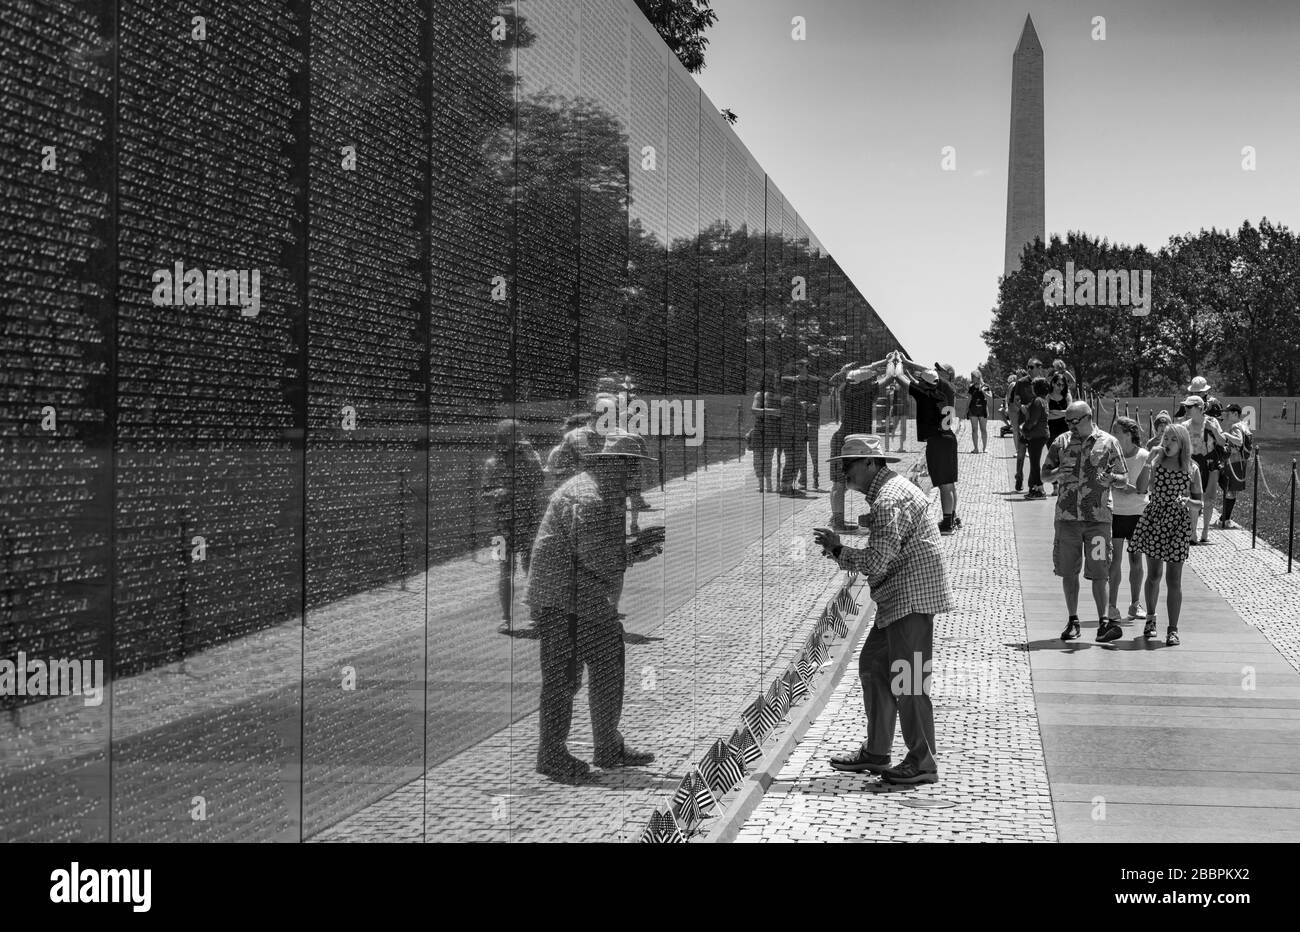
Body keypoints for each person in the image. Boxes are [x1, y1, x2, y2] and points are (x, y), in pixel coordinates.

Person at [816, 434, 954, 786]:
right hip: (901, 598)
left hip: (910, 599)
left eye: (847, 465)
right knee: (875, 665)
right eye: (841, 466)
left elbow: (877, 562)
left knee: (909, 682)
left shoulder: (888, 500)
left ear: (870, 464)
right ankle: (878, 751)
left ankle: (923, 763)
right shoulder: (888, 492)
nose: (844, 473)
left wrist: (838, 550)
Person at [527, 431, 663, 783]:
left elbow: (597, 555)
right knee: (563, 677)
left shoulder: (602, 490)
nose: (636, 472)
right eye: (632, 464)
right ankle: (553, 753)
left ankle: (605, 745)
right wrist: (633, 552)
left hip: (578, 595)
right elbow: (596, 557)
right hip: (564, 598)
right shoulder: (591, 497)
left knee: (605, 663)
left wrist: (632, 550)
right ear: (617, 464)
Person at [1040, 401, 1129, 642]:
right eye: (1067, 421)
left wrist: (1112, 478)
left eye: (1073, 421)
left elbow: (1124, 477)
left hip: (1097, 519)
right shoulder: (1061, 442)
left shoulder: (1109, 442)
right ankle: (1073, 620)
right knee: (1069, 571)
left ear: (1089, 417)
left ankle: (1103, 623)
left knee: (1100, 571)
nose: (1069, 425)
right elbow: (1043, 474)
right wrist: (1058, 473)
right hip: (1067, 518)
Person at [1130, 424, 1202, 645]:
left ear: (1182, 443)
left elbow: (1200, 502)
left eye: (1173, 439)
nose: (1167, 443)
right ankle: (1150, 619)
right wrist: (1149, 462)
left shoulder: (1192, 467)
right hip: (1155, 520)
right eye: (1165, 438)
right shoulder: (1156, 462)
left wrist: (1189, 502)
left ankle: (1173, 628)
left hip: (1178, 524)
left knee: (1174, 579)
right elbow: (1141, 489)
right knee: (1153, 575)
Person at [481, 420, 547, 634]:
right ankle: (506, 618)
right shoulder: (492, 463)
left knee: (532, 566)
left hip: (529, 521)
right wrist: (496, 493)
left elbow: (540, 481)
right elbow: (484, 494)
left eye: (518, 434)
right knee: (504, 570)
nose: (516, 439)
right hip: (500, 526)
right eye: (511, 435)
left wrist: (530, 456)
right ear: (502, 438)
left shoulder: (530, 459)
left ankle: (536, 615)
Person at [892, 355, 961, 534]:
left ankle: (947, 524)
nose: (936, 370)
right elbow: (925, 381)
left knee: (944, 484)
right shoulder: (941, 391)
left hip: (938, 439)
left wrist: (900, 363)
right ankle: (952, 518)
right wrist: (914, 376)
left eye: (940, 369)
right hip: (948, 437)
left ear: (948, 375)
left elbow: (905, 380)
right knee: (950, 483)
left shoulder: (938, 389)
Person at [829, 359, 883, 531]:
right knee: (844, 484)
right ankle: (838, 523)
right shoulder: (868, 391)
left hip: (842, 439)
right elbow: (889, 375)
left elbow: (837, 380)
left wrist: (845, 370)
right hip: (855, 442)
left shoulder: (845, 390)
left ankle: (836, 519)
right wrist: (891, 361)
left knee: (839, 483)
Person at [1108, 417, 1150, 623]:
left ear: (1128, 433)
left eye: (1117, 431)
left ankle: (1135, 604)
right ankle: (1112, 606)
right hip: (1115, 512)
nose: (1113, 435)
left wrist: (1126, 487)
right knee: (1114, 560)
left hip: (1137, 512)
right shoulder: (1110, 455)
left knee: (1136, 560)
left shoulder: (1143, 456)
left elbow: (1143, 489)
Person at [1179, 394, 1225, 543]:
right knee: (1194, 498)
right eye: (1186, 406)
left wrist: (1215, 430)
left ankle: (1205, 531)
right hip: (1192, 464)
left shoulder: (1212, 422)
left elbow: (1222, 442)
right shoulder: (1184, 426)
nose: (1186, 409)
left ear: (1200, 408)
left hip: (1210, 463)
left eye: (1189, 407)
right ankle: (1193, 532)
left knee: (1210, 499)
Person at [1007, 358, 1047, 492]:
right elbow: (1016, 399)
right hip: (1024, 421)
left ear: (1038, 368)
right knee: (1021, 452)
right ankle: (1019, 476)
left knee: (1035, 456)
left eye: (1032, 367)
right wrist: (1021, 406)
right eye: (1028, 367)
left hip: (1037, 424)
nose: (1029, 370)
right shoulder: (1021, 382)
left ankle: (1033, 483)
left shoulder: (1042, 382)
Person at [788, 359, 825, 491]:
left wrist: (815, 405)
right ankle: (803, 478)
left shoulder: (815, 381)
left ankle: (816, 477)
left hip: (813, 418)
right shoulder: (793, 381)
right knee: (802, 450)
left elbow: (820, 398)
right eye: (797, 365)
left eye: (801, 365)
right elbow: (790, 398)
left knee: (813, 450)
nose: (798, 367)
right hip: (799, 419)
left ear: (806, 367)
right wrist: (799, 405)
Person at [1218, 404, 1252, 528]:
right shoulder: (1244, 425)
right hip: (1241, 461)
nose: (1227, 414)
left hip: (1233, 462)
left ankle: (1225, 519)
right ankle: (1225, 518)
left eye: (1229, 412)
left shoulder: (1235, 426)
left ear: (1235, 414)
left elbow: (1239, 441)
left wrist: (1226, 435)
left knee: (1229, 489)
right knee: (1231, 490)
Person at [1021, 376, 1051, 500]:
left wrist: (1025, 429)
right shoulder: (1044, 400)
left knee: (1034, 463)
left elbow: (1034, 419)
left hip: (1036, 435)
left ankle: (1040, 489)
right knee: (1035, 462)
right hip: (1042, 434)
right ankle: (1035, 487)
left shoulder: (1037, 401)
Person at [750, 385, 782, 493]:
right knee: (757, 460)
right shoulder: (759, 395)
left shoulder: (778, 397)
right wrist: (772, 411)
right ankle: (760, 483)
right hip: (759, 430)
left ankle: (768, 483)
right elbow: (754, 410)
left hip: (771, 431)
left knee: (767, 460)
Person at [778, 387, 808, 497]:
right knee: (792, 460)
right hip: (792, 436)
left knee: (793, 461)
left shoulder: (793, 401)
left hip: (795, 436)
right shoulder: (788, 401)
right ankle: (786, 487)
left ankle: (788, 485)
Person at [967, 370, 990, 453]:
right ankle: (976, 448)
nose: (972, 378)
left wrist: (983, 391)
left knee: (983, 429)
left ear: (978, 377)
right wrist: (966, 410)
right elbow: (969, 399)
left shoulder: (985, 386)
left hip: (983, 410)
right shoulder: (971, 387)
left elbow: (990, 397)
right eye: (971, 377)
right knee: (974, 429)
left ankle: (984, 448)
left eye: (973, 377)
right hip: (973, 410)